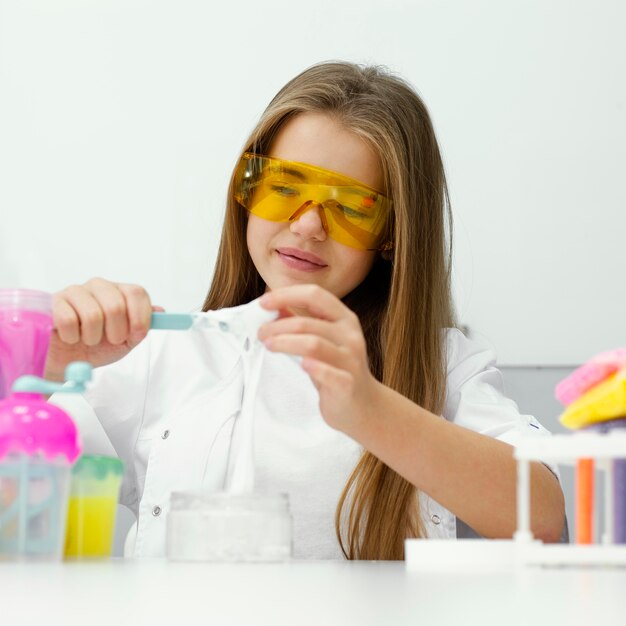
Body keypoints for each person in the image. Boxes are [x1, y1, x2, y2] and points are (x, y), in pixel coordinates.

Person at [46, 61, 566, 560]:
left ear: (392, 236)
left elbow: (544, 517)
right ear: (246, 192)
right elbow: (21, 495)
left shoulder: (443, 364)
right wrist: (38, 364)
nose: (309, 225)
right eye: (285, 187)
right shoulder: (163, 355)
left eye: (353, 206)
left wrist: (370, 409)